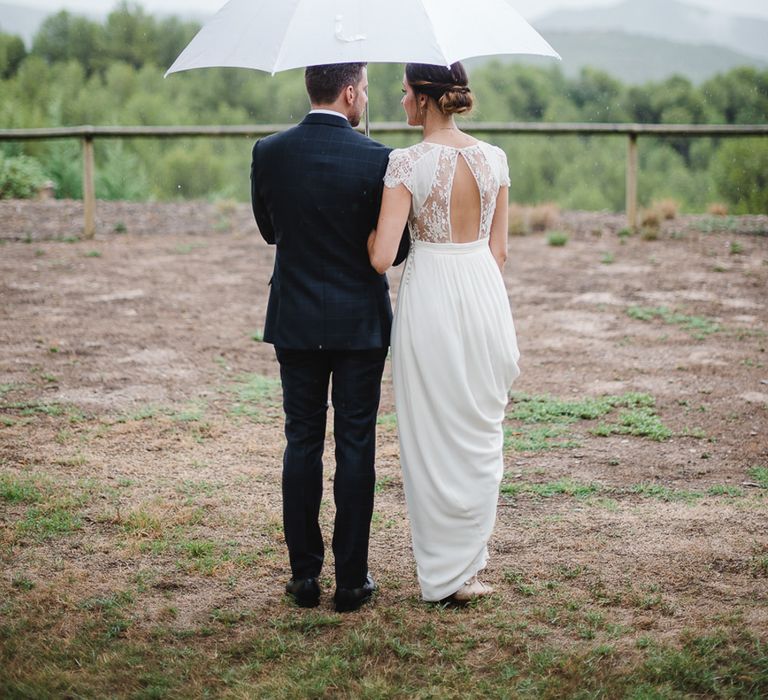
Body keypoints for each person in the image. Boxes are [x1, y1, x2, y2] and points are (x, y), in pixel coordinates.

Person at [251, 63, 409, 613]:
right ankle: (351, 579)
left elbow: (271, 230)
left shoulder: (268, 151)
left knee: (302, 442)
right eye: (364, 88)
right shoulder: (381, 158)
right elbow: (399, 248)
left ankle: (302, 577)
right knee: (356, 444)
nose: (365, 97)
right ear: (348, 92)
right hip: (361, 325)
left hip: (294, 319)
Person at [367, 62, 520, 604]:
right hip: (482, 290)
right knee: (480, 429)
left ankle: (444, 573)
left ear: (426, 99)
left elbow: (383, 257)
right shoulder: (494, 159)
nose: (401, 100)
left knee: (431, 434)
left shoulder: (405, 163)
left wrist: (366, 227)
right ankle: (467, 566)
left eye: (405, 93)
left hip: (431, 292)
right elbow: (499, 251)